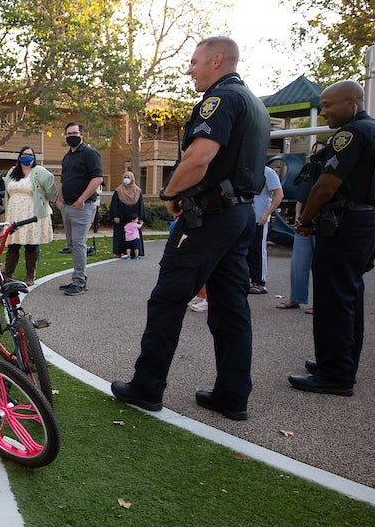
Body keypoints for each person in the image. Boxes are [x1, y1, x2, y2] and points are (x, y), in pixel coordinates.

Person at [111, 36, 270, 422]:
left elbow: (199, 158)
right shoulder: (256, 105)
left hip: (210, 216)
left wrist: (170, 191)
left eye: (194, 61)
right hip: (239, 215)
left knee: (168, 298)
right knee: (232, 308)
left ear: (217, 61)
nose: (190, 69)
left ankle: (147, 387)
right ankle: (233, 396)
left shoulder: (221, 100)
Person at [289, 79, 375, 397]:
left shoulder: (352, 133)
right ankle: (340, 364)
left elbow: (325, 185)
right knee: (348, 297)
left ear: (352, 102)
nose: (324, 112)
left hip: (346, 224)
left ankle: (335, 374)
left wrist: (305, 220)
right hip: (363, 222)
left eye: (329, 106)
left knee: (334, 299)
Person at [56, 122, 103, 296]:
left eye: (74, 133)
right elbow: (63, 180)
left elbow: (97, 178)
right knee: (71, 244)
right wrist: (58, 199)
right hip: (66, 206)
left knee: (78, 243)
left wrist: (81, 199)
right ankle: (79, 277)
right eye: (68, 134)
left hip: (83, 206)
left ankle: (79, 282)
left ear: (82, 134)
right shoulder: (67, 156)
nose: (71, 136)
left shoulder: (90, 153)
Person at [1, 146, 57, 286]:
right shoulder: (12, 172)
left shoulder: (39, 171)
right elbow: (7, 191)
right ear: (19, 157)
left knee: (31, 244)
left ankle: (30, 276)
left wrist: (46, 200)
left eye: (31, 155)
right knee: (13, 244)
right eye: (25, 154)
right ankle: (7, 275)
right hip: (14, 213)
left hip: (32, 213)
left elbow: (50, 189)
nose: (28, 157)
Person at [280, 141, 326, 311]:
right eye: (313, 151)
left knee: (321, 266)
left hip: (320, 225)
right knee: (298, 264)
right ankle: (295, 298)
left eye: (319, 152)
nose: (315, 155)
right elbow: (301, 198)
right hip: (303, 225)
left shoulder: (327, 172)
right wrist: (299, 220)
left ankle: (320, 302)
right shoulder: (307, 171)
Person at [246, 162, 284, 294]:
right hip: (246, 218)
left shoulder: (268, 172)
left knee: (258, 249)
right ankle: (249, 279)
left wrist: (267, 213)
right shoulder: (245, 170)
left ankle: (260, 282)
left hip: (260, 218)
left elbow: (279, 195)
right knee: (245, 250)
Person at [109, 170, 146, 258]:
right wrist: (115, 216)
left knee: (134, 234)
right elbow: (114, 204)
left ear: (132, 179)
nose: (126, 179)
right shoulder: (118, 191)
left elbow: (141, 205)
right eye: (125, 177)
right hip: (121, 217)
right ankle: (118, 252)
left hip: (133, 218)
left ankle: (135, 252)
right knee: (119, 234)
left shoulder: (137, 191)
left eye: (128, 177)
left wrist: (140, 218)